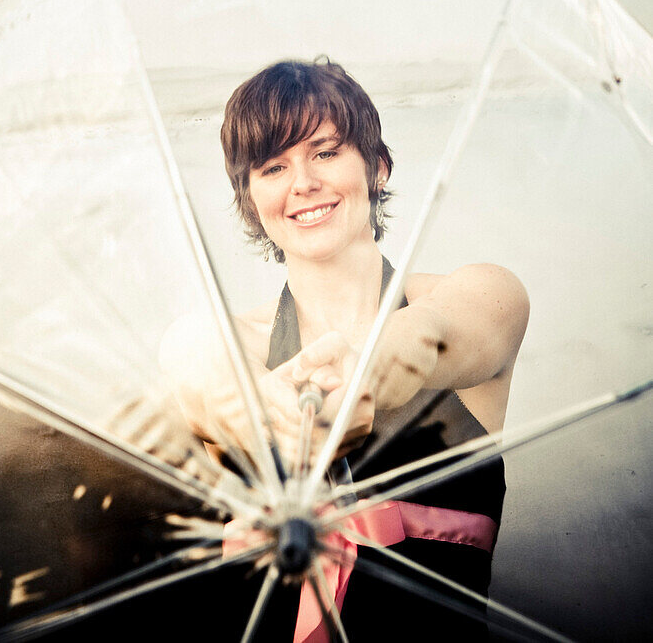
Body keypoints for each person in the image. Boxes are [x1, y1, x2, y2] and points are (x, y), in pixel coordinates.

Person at [160, 58, 529, 641]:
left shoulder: (480, 294)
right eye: (273, 166)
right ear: (251, 200)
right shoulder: (228, 343)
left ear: (377, 168)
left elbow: (436, 332)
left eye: (326, 152)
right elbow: (193, 363)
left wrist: (368, 371)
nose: (303, 182)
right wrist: (260, 405)